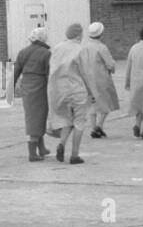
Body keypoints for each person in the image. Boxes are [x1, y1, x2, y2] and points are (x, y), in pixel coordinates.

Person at [46, 23, 97, 162]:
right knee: (79, 121)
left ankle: (61, 144)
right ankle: (74, 155)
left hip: (58, 90)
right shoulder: (81, 50)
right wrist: (92, 92)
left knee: (66, 120)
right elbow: (86, 73)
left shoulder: (57, 48)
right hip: (76, 89)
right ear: (79, 35)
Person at [12, 27, 52, 162]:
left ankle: (41, 148)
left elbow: (16, 71)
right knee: (39, 117)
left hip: (26, 85)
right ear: (43, 39)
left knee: (33, 116)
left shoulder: (22, 52)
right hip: (40, 86)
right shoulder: (46, 53)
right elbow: (49, 73)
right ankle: (32, 153)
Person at [78, 23, 119, 138]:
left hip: (87, 79)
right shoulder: (102, 47)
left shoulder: (84, 47)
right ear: (101, 33)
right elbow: (110, 64)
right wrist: (112, 67)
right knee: (106, 103)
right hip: (101, 78)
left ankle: (93, 127)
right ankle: (99, 126)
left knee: (92, 103)